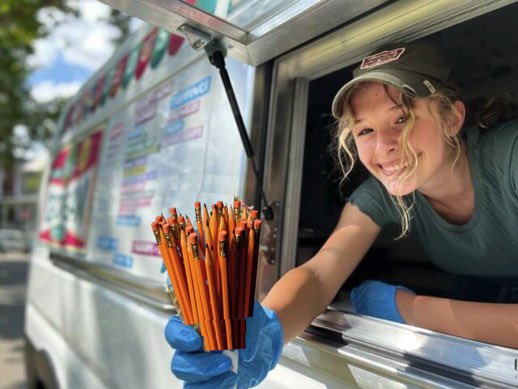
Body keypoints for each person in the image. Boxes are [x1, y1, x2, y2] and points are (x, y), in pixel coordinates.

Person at [164, 41, 518, 388]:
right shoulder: (382, 193)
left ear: (452, 118)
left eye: (402, 118)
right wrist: (266, 332)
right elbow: (321, 273)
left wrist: (414, 310)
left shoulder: (510, 157)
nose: (384, 145)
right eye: (365, 129)